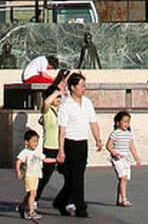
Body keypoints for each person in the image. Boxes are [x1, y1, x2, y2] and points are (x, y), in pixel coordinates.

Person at [55, 72, 102, 218]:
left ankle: (60, 202)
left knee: (76, 177)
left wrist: (98, 139)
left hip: (83, 142)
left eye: (84, 86)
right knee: (77, 178)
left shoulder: (87, 103)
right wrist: (61, 150)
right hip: (71, 143)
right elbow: (61, 129)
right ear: (73, 87)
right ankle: (80, 208)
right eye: (81, 86)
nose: (84, 89)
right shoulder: (66, 105)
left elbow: (93, 122)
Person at [36, 75, 69, 205]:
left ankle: (67, 200)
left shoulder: (62, 111)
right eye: (56, 97)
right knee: (45, 177)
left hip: (61, 147)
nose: (58, 99)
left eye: (59, 98)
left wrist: (62, 92)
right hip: (49, 147)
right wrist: (56, 92)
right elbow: (45, 103)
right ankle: (34, 199)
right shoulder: (47, 111)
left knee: (69, 176)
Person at [106, 111, 140, 208]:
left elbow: (131, 146)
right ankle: (124, 198)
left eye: (128, 122)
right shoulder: (115, 133)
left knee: (123, 179)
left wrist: (136, 157)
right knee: (123, 177)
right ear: (118, 123)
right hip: (117, 158)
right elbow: (108, 145)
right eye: (124, 122)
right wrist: (114, 153)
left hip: (126, 158)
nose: (126, 124)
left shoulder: (129, 134)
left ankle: (119, 199)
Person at [15, 126, 44, 220]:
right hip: (29, 175)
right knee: (33, 193)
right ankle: (31, 212)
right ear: (27, 142)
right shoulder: (25, 152)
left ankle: (22, 207)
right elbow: (18, 161)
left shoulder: (36, 152)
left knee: (29, 194)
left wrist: (55, 160)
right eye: (34, 141)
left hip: (36, 175)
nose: (36, 143)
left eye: (37, 141)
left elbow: (44, 159)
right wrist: (18, 171)